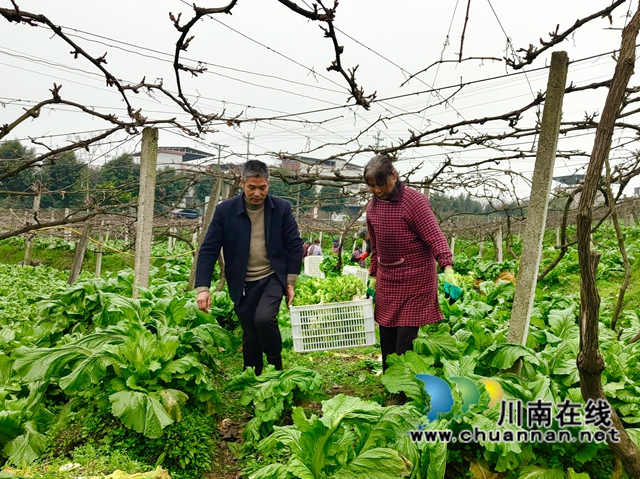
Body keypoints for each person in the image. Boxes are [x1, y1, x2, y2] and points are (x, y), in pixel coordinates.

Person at [195, 160, 303, 375]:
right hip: (241, 283)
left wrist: (290, 282)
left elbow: (295, 245)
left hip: (272, 277)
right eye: (251, 187)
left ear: (268, 185)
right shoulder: (225, 211)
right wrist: (203, 288)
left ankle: (275, 366)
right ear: (242, 183)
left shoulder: (281, 209)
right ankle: (252, 378)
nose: (257, 193)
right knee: (250, 333)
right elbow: (209, 249)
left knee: (264, 318)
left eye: (262, 188)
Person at [363, 154, 456, 372]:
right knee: (386, 333)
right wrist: (374, 278)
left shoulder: (414, 202)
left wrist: (448, 268)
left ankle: (405, 388)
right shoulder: (372, 209)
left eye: (380, 184)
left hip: (416, 277)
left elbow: (435, 236)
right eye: (372, 186)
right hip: (388, 278)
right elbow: (375, 247)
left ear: (393, 175)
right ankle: (390, 383)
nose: (377, 190)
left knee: (405, 339)